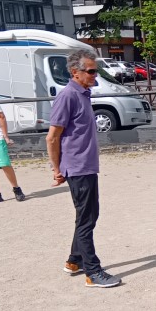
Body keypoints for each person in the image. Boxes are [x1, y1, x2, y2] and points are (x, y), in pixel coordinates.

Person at [47, 49, 122, 289]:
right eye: (90, 71)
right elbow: (52, 137)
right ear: (75, 72)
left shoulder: (83, 94)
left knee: (87, 216)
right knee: (87, 219)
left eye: (96, 70)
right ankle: (93, 271)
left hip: (86, 166)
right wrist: (56, 169)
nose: (95, 75)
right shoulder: (68, 96)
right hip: (77, 168)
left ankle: (74, 261)